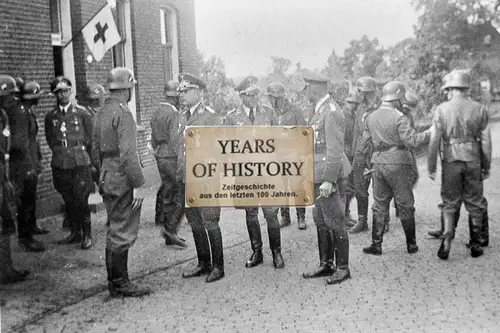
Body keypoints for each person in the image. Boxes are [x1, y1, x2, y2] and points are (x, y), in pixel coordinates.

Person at [94, 67, 151, 297]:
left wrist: (100, 174)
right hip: (121, 176)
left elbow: (93, 148)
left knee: (113, 226)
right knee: (122, 229)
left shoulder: (101, 112)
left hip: (107, 174)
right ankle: (120, 283)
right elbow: (128, 154)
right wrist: (138, 184)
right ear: (127, 88)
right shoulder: (124, 113)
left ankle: (114, 281)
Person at [361, 81, 431, 256]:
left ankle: (376, 245)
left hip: (378, 163)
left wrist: (367, 165)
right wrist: (431, 133)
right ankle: (411, 244)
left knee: (379, 204)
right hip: (399, 162)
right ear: (399, 95)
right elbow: (412, 141)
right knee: (405, 203)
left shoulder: (371, 116)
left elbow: (364, 144)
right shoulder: (399, 117)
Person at [428, 70, 491, 260]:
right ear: (466, 88)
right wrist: (486, 165)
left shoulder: (441, 109)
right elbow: (486, 141)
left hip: (450, 160)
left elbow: (434, 141)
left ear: (450, 89)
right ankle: (475, 244)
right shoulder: (479, 108)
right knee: (475, 201)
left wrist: (431, 166)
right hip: (473, 159)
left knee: (450, 202)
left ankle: (447, 241)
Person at [225, 76, 285, 269]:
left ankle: (277, 252)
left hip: (268, 172)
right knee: (251, 214)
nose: (254, 98)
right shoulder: (232, 118)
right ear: (242, 96)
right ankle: (257, 251)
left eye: (256, 94)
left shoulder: (268, 113)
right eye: (250, 95)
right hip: (245, 174)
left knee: (271, 213)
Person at [301, 72, 351, 284]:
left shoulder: (331, 111)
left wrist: (329, 180)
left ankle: (342, 267)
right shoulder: (319, 110)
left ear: (315, 89)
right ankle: (326, 264)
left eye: (307, 89)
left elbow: (335, 149)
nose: (306, 93)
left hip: (328, 176)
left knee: (335, 220)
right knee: (321, 220)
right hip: (317, 174)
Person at [177, 73, 225, 283]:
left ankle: (218, 266)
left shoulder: (210, 118)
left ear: (198, 92)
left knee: (210, 221)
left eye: (186, 91)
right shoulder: (182, 116)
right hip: (187, 178)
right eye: (180, 91)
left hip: (206, 178)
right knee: (195, 221)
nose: (181, 94)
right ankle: (203, 263)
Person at [45, 76, 94, 250]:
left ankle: (87, 234)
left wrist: (91, 162)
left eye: (66, 91)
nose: (63, 95)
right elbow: (51, 139)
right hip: (60, 162)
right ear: (55, 95)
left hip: (79, 161)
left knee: (82, 200)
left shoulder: (82, 113)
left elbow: (91, 138)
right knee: (69, 199)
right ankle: (75, 233)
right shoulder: (51, 116)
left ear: (71, 92)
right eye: (59, 92)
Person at [265, 81, 308, 230]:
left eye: (273, 97)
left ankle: (301, 216)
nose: (271, 100)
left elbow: (304, 132)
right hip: (277, 156)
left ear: (279, 97)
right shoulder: (270, 113)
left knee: (296, 186)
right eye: (270, 98)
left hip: (293, 154)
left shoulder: (295, 110)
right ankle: (285, 216)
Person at [0, 74, 30, 283]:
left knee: (6, 223)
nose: (12, 99)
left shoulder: (3, 115)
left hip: (2, 176)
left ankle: (6, 269)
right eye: (8, 95)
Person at [151, 80, 186, 247]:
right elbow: (175, 139)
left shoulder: (157, 111)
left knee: (168, 192)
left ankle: (167, 230)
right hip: (172, 155)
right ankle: (171, 230)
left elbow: (153, 136)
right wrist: (182, 158)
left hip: (160, 155)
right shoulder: (173, 113)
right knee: (180, 192)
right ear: (175, 96)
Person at [17, 81, 50, 251]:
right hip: (25, 163)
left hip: (32, 160)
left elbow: (33, 140)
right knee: (26, 200)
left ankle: (32, 226)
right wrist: (30, 165)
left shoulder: (29, 111)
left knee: (31, 196)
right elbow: (22, 143)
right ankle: (25, 236)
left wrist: (39, 159)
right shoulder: (22, 114)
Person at [349, 77, 381, 234]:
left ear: (367, 92)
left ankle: (383, 219)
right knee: (360, 187)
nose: (358, 94)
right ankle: (362, 221)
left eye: (360, 91)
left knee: (379, 187)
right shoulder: (360, 108)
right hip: (361, 153)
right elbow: (356, 132)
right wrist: (355, 154)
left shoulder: (381, 107)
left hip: (376, 152)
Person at [342, 90, 362, 228]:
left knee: (351, 186)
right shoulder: (343, 115)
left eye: (355, 104)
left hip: (352, 153)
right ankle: (343, 215)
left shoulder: (353, 115)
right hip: (345, 153)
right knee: (347, 186)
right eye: (350, 103)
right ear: (346, 102)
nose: (353, 106)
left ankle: (346, 213)